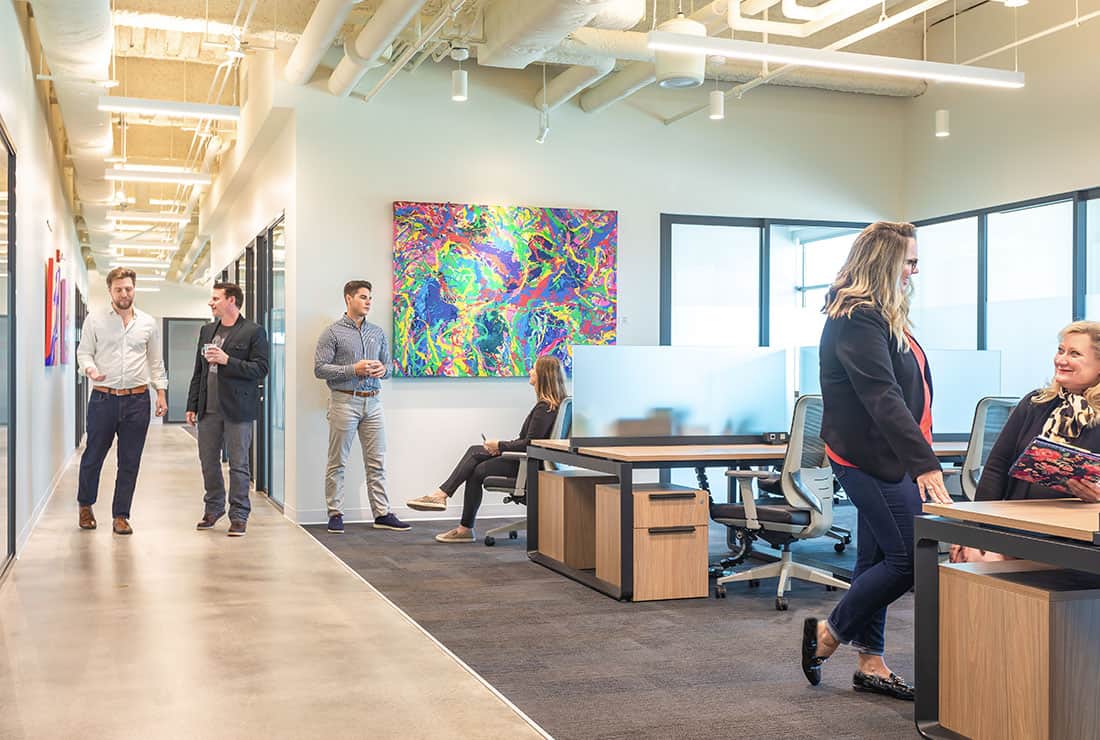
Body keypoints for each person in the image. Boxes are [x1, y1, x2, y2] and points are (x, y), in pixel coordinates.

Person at [800, 221, 952, 701]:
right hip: (871, 458)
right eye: (909, 260)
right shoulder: (856, 317)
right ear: (885, 261)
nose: (915, 269)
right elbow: (882, 396)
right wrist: (925, 463)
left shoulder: (881, 313)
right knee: (909, 558)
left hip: (891, 456)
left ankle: (871, 661)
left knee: (877, 559)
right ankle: (828, 634)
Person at [951, 321, 1100, 562]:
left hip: (1075, 538)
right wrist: (972, 529)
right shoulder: (1035, 403)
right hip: (1018, 527)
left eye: (1074, 354)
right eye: (1060, 350)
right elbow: (995, 469)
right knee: (974, 558)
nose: (1061, 360)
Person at [405, 355, 567, 543]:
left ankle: (446, 502)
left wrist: (499, 445)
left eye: (533, 368)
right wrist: (499, 447)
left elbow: (530, 443)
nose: (530, 371)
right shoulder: (554, 405)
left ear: (543, 375)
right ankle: (447, 504)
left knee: (476, 466)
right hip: (534, 462)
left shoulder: (544, 407)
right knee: (476, 455)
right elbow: (530, 441)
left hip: (530, 465)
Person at [75, 267, 169, 534]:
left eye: (128, 288)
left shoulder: (148, 323)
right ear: (110, 291)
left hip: (138, 400)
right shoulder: (95, 320)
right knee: (93, 455)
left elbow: (155, 362)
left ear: (134, 288)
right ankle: (85, 506)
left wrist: (160, 393)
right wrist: (90, 369)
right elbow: (84, 354)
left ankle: (121, 515)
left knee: (130, 461)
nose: (124, 293)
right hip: (104, 399)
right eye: (119, 289)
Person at [314, 280, 409, 534]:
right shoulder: (332, 332)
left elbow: (389, 367)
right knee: (338, 462)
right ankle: (335, 513)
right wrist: (352, 369)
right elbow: (319, 369)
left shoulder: (377, 332)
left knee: (377, 461)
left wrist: (383, 369)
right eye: (363, 297)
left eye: (370, 298)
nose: (368, 302)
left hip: (374, 401)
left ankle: (381, 513)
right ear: (348, 299)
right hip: (344, 400)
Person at [186, 282, 269, 537]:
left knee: (239, 464)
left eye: (215, 298)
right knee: (208, 462)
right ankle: (213, 508)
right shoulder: (207, 330)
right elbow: (198, 371)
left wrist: (227, 361)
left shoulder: (253, 331)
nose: (211, 303)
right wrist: (192, 405)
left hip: (238, 409)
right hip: (208, 409)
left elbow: (260, 369)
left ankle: (239, 514)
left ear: (231, 300)